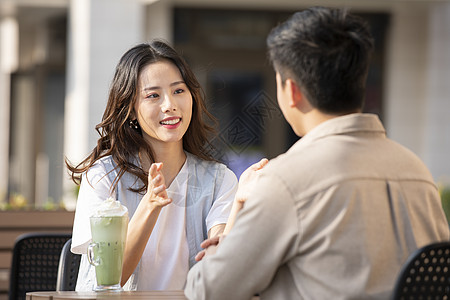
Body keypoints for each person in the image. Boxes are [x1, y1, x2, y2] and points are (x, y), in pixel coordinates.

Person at [184, 6, 450, 300]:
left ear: (292, 91)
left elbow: (207, 291)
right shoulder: (417, 172)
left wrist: (223, 249)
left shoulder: (286, 180)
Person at [67, 40, 239, 291]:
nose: (169, 104)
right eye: (153, 95)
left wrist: (242, 203)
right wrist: (149, 206)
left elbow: (218, 276)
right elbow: (106, 282)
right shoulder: (103, 176)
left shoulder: (219, 180)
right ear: (132, 110)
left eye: (179, 91)